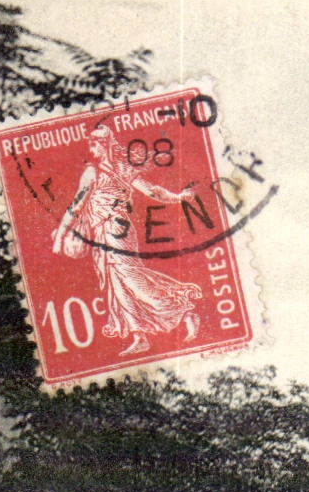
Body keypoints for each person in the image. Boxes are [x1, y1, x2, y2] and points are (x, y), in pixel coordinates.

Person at [50, 125, 204, 356]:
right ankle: (139, 336)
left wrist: (60, 236)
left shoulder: (98, 171)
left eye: (94, 144)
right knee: (116, 284)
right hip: (109, 232)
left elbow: (77, 206)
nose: (90, 149)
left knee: (132, 281)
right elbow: (153, 191)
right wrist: (178, 197)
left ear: (103, 145)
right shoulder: (117, 169)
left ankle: (184, 312)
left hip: (115, 231)